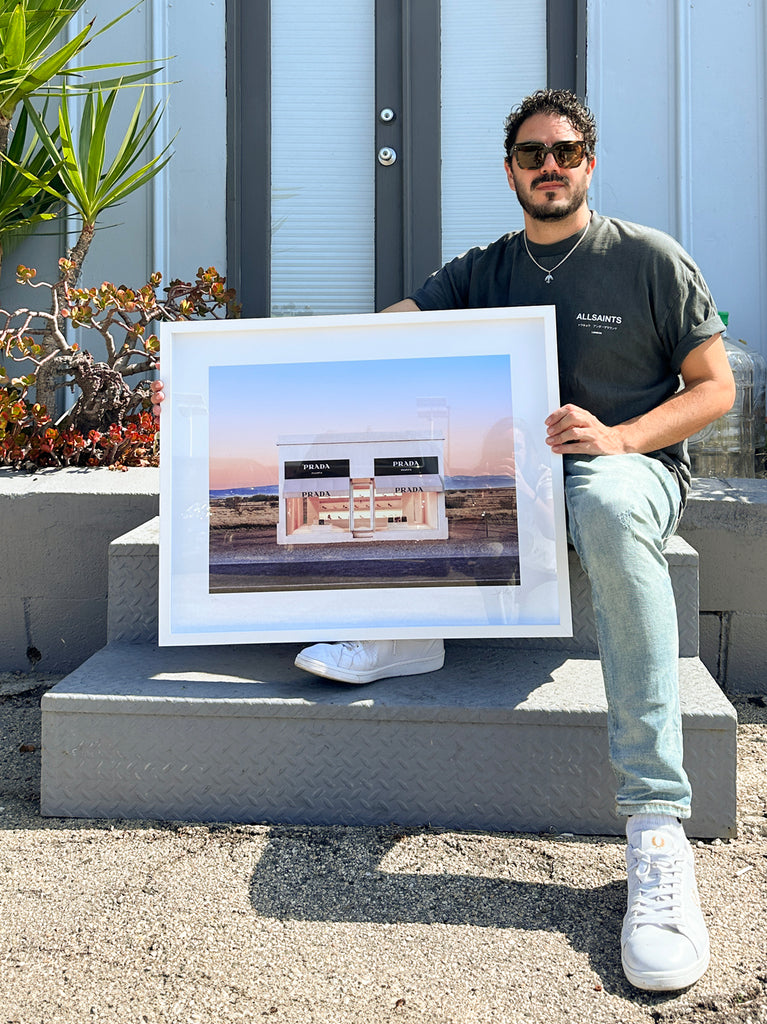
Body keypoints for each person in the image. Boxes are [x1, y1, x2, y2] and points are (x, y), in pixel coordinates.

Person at [152, 89, 735, 993]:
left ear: (590, 162)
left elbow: (713, 388)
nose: (551, 165)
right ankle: (411, 623)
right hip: (516, 476)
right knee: (401, 422)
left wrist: (620, 440)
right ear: (509, 170)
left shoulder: (649, 260)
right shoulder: (486, 269)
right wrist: (316, 360)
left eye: (567, 150)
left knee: (611, 510)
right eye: (532, 152)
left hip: (624, 468)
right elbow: (408, 324)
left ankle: (654, 824)